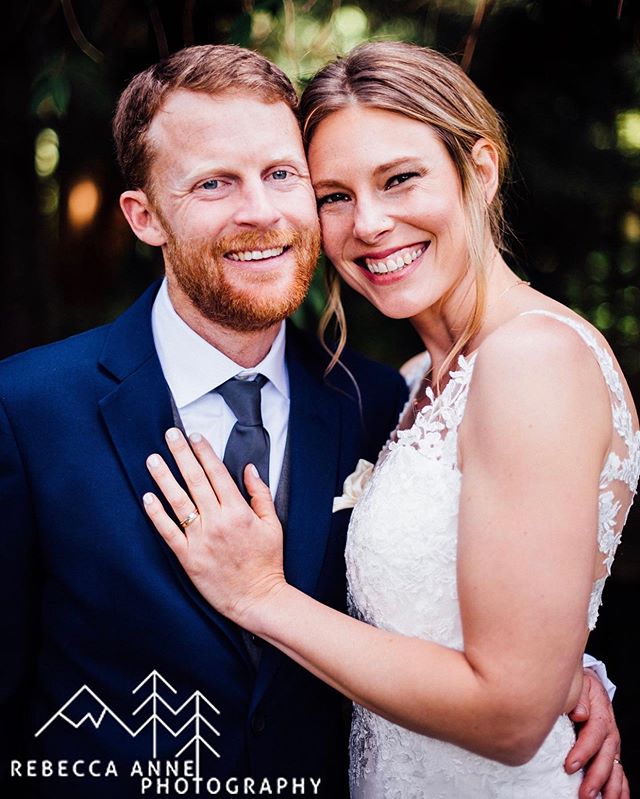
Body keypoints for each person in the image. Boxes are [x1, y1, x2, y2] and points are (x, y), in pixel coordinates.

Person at [142, 42, 638, 798]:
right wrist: (570, 663)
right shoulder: (405, 387)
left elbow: (510, 715)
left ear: (481, 170)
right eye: (334, 195)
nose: (369, 223)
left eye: (400, 179)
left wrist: (260, 596)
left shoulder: (530, 360)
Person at [0, 45, 408, 798]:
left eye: (282, 174)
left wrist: (563, 676)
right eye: (215, 182)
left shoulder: (376, 404)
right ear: (145, 215)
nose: (261, 210)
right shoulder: (25, 410)